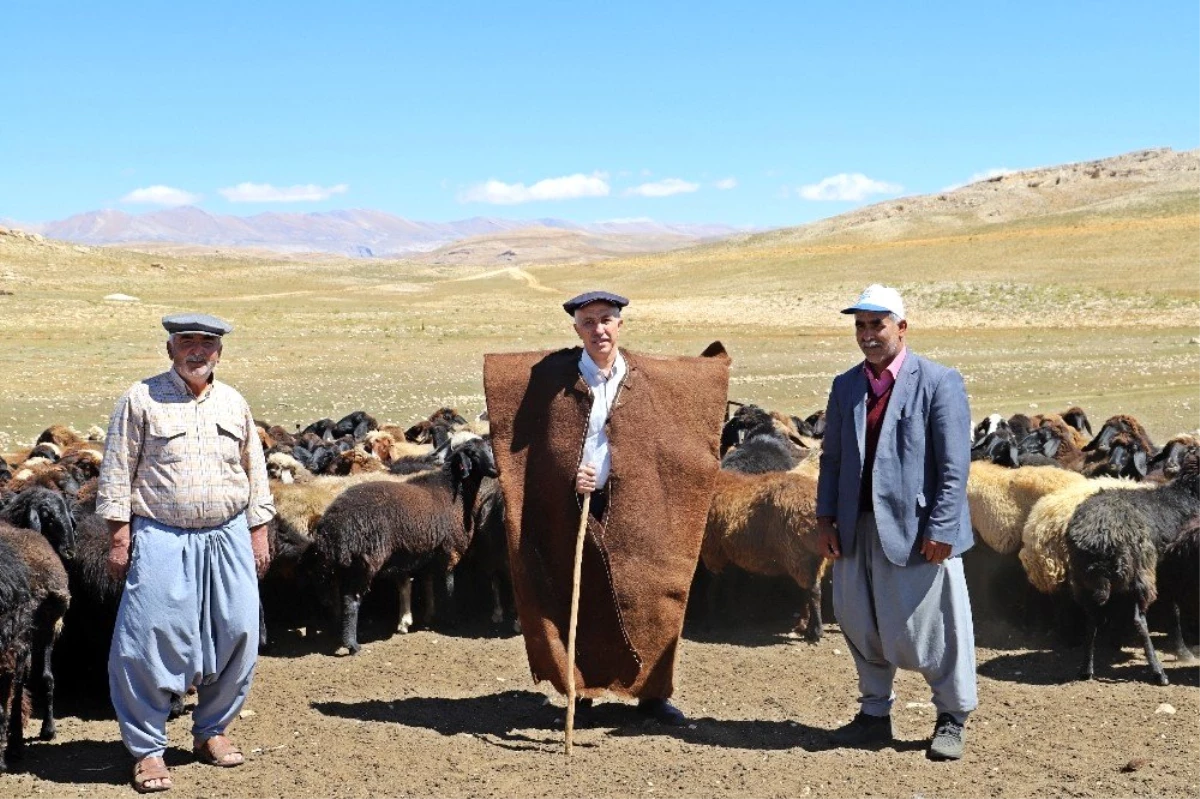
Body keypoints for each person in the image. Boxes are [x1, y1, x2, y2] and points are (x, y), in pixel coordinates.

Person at [483, 291, 729, 726]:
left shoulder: (642, 376)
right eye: (589, 321)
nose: (599, 329)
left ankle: (653, 694)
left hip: (638, 502)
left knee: (652, 593)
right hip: (574, 504)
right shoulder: (554, 379)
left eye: (607, 319)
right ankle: (583, 689)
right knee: (577, 590)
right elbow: (530, 445)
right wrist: (564, 478)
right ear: (576, 329)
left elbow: (679, 415)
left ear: (620, 324)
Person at [96, 313, 275, 793]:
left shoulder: (234, 402)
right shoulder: (142, 399)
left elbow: (253, 470)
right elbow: (116, 470)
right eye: (187, 341)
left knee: (237, 629)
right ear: (170, 348)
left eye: (207, 343)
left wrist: (259, 532)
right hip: (161, 533)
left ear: (220, 351)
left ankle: (211, 730)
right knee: (150, 635)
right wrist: (119, 537)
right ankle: (148, 749)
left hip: (229, 532)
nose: (197, 350)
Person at [815, 284, 977, 761]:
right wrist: (826, 518)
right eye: (860, 325)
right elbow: (833, 458)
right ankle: (873, 716)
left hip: (919, 528)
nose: (868, 334)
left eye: (877, 324)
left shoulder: (938, 381)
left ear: (901, 327)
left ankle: (952, 716)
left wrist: (943, 527)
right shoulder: (847, 385)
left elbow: (954, 465)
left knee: (937, 625)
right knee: (860, 619)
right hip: (856, 525)